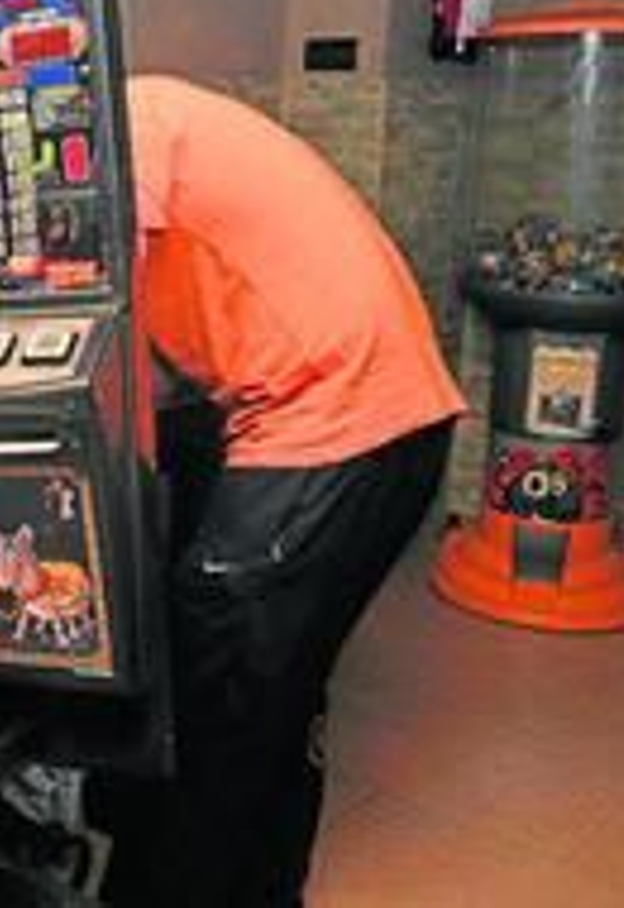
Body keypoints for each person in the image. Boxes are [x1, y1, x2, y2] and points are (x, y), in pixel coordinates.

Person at [105, 74, 467, 906]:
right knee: (271, 703)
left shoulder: (128, 118)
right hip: (383, 422)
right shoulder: (165, 122)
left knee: (221, 711)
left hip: (335, 424)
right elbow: (156, 367)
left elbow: (98, 308)